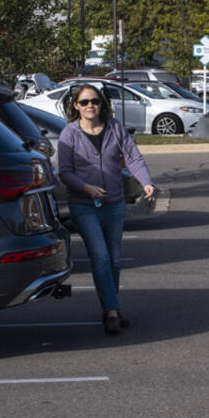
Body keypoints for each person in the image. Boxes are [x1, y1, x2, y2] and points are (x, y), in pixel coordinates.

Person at [57, 83, 155, 336]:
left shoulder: (115, 128)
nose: (90, 106)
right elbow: (64, 172)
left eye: (95, 101)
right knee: (99, 256)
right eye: (84, 102)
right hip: (84, 205)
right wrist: (85, 187)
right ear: (75, 106)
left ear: (102, 104)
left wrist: (146, 182)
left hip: (114, 203)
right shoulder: (69, 133)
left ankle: (111, 307)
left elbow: (133, 157)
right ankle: (112, 310)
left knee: (112, 258)